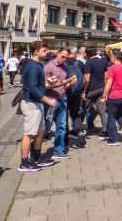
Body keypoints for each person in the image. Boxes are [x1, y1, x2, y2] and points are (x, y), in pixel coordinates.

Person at [19, 41, 56, 172]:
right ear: (36, 52)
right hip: (31, 103)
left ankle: (36, 158)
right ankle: (24, 162)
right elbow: (32, 88)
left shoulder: (38, 65)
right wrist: (47, 100)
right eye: (44, 51)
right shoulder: (33, 66)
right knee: (29, 133)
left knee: (41, 131)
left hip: (36, 103)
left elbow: (38, 85)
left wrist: (48, 84)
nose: (47, 53)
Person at [43, 48, 74, 160]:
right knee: (46, 127)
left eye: (66, 57)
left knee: (61, 126)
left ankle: (58, 151)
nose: (64, 59)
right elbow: (45, 85)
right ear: (57, 54)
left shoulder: (65, 68)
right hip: (50, 99)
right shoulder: (49, 66)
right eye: (63, 56)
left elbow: (63, 85)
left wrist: (68, 84)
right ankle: (35, 151)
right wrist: (60, 84)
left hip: (63, 98)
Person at [101, 50, 122, 146]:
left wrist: (104, 96)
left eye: (111, 56)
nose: (110, 58)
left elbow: (109, 83)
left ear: (115, 57)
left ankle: (113, 139)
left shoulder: (112, 68)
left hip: (114, 96)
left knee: (111, 118)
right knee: (120, 115)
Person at [84, 49, 109, 138]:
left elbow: (87, 79)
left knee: (83, 108)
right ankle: (105, 130)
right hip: (101, 88)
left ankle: (81, 129)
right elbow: (106, 76)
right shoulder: (104, 61)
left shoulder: (89, 62)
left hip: (91, 90)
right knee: (102, 110)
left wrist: (84, 91)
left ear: (87, 54)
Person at [65, 48, 85, 148]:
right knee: (76, 113)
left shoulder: (63, 63)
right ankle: (79, 131)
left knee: (64, 115)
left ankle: (65, 139)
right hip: (77, 93)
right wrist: (83, 91)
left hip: (65, 92)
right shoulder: (80, 63)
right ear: (75, 54)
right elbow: (85, 78)